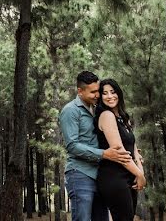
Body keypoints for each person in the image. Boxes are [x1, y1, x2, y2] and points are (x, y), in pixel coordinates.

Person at [59, 71, 132, 221]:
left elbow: (105, 136)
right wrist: (104, 154)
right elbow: (72, 146)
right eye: (93, 92)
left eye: (98, 91)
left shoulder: (96, 109)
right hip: (80, 174)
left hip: (99, 175)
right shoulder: (70, 111)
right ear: (80, 91)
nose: (97, 95)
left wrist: (130, 150)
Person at [94, 78, 145, 221]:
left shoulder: (123, 117)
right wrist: (140, 175)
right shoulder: (107, 116)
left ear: (119, 93)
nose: (109, 96)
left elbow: (134, 149)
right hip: (114, 177)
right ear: (100, 97)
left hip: (129, 175)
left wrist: (139, 172)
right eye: (104, 93)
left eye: (113, 92)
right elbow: (120, 152)